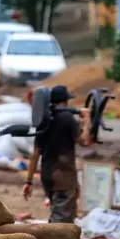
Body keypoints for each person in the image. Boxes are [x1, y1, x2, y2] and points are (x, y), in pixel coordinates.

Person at [23, 85, 92, 223]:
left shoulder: (44, 120)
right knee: (60, 221)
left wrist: (28, 181)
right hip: (64, 177)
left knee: (61, 213)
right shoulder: (67, 118)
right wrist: (87, 120)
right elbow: (84, 141)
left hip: (48, 176)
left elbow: (35, 154)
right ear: (65, 101)